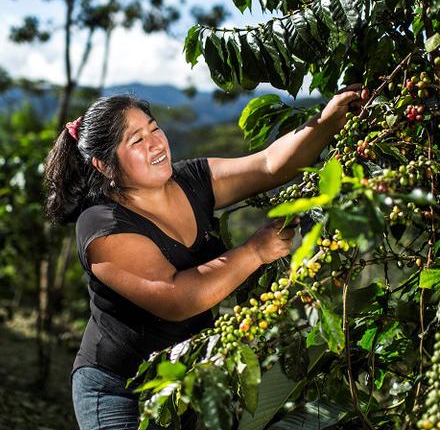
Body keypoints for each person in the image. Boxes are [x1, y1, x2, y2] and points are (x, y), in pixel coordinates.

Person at [44, 88, 362, 430]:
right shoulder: (102, 223)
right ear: (104, 164)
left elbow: (269, 165)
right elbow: (177, 297)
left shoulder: (191, 179)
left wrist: (330, 118)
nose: (155, 143)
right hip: (119, 388)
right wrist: (255, 250)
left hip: (185, 382)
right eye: (136, 140)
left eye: (154, 128)